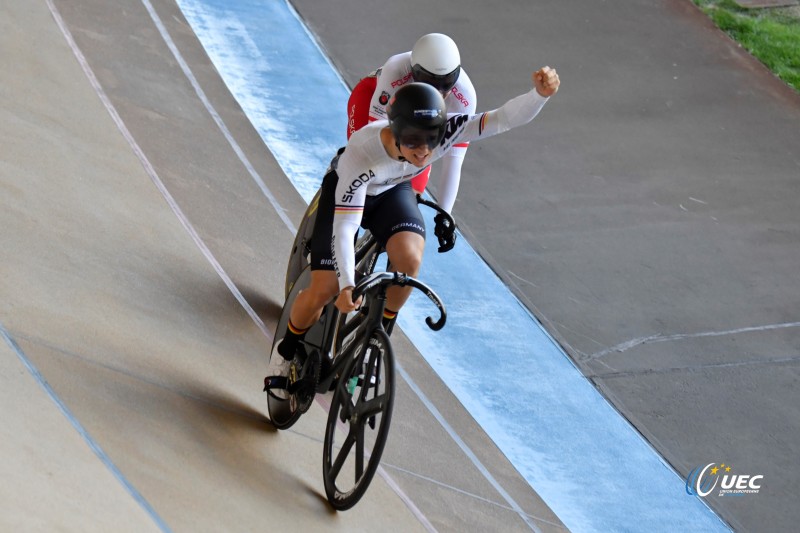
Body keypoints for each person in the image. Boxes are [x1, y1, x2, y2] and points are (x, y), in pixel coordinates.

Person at [266, 65, 560, 399]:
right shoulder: (363, 151)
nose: (423, 153)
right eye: (413, 143)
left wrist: (540, 95)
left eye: (430, 143)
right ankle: (284, 350)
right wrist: (348, 283)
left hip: (393, 190)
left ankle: (375, 340)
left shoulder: (449, 129)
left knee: (409, 259)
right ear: (394, 132)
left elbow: (503, 118)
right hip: (351, 191)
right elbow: (346, 225)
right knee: (325, 287)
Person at [347, 33, 476, 208]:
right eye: (429, 82)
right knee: (363, 164)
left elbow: (454, 161)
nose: (438, 92)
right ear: (413, 70)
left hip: (420, 125)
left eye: (446, 82)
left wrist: (444, 215)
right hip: (372, 98)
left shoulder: (465, 98)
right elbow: (375, 134)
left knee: (411, 195)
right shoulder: (396, 69)